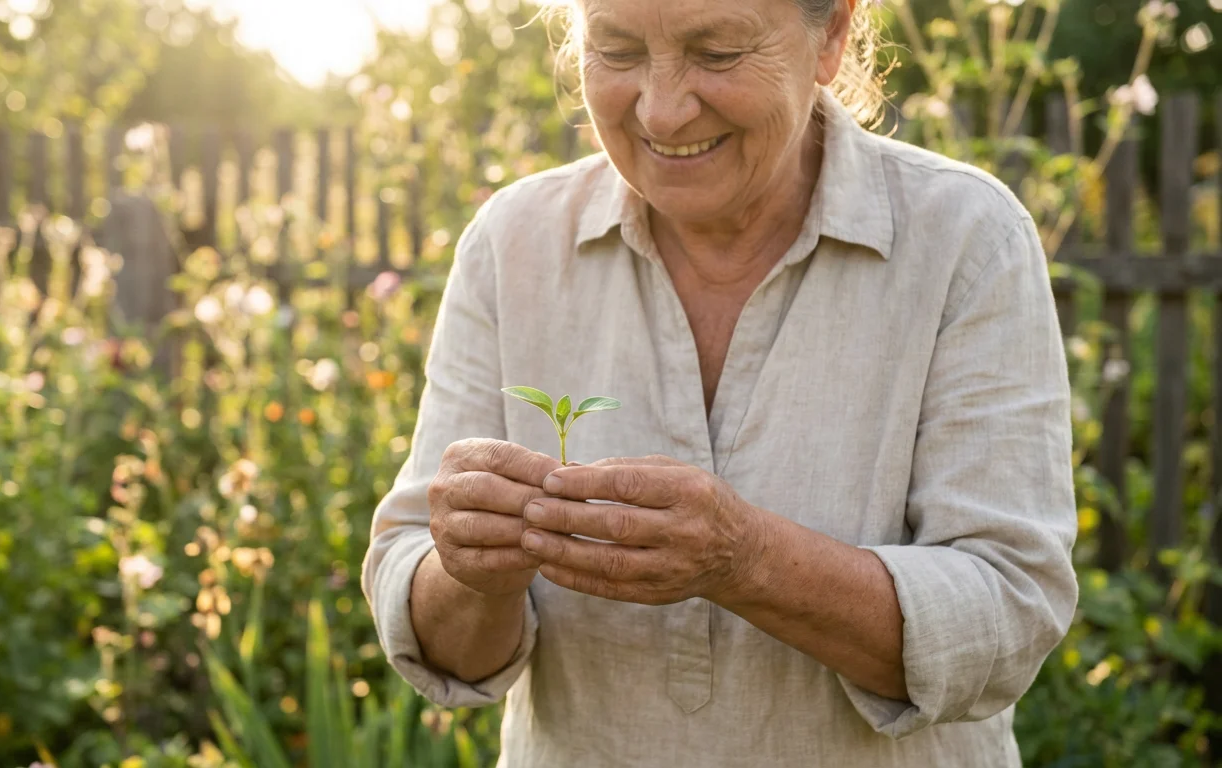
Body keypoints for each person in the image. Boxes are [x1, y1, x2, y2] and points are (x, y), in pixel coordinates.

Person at [361, 0, 1077, 763]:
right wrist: (471, 571)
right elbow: (440, 638)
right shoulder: (516, 242)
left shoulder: (965, 237)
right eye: (617, 49)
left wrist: (748, 559)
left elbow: (1010, 613)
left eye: (719, 53)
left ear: (831, 34)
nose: (663, 111)